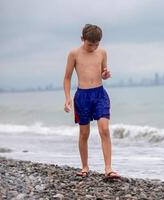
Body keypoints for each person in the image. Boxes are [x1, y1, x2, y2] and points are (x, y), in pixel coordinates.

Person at [63, 24, 120, 179]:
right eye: (90, 44)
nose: (93, 47)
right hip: (82, 96)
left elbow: (103, 73)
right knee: (84, 133)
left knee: (104, 129)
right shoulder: (74, 54)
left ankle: (108, 168)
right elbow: (67, 78)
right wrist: (67, 98)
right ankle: (85, 166)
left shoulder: (102, 52)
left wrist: (106, 74)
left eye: (96, 44)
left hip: (100, 94)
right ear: (82, 39)